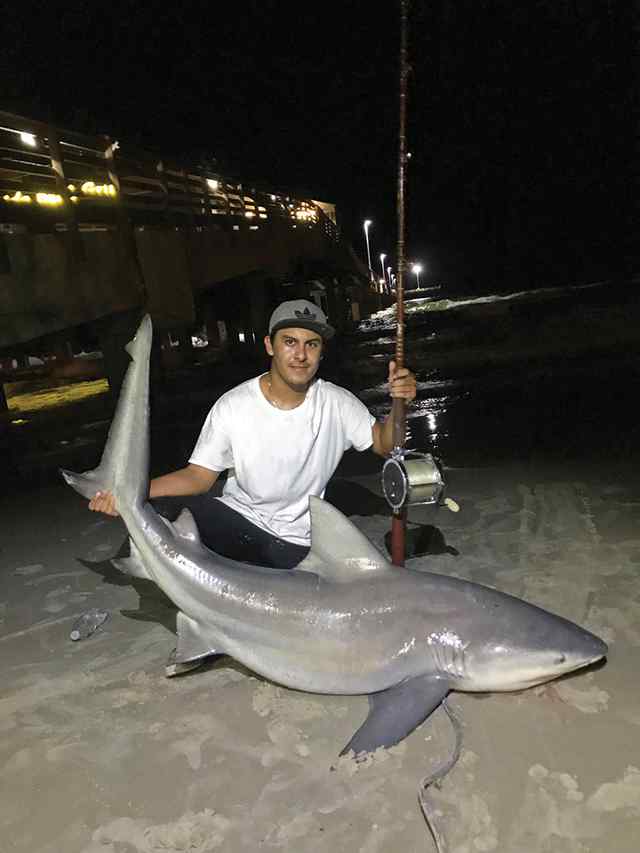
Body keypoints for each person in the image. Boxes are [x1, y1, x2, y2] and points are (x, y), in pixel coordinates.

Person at [89, 299, 416, 570]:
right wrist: (132, 495)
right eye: (290, 342)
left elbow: (387, 444)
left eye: (311, 344)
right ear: (269, 346)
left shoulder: (337, 403)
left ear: (320, 352)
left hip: (297, 538)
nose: (300, 355)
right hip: (238, 519)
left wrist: (398, 403)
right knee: (157, 516)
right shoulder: (233, 406)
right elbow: (199, 477)